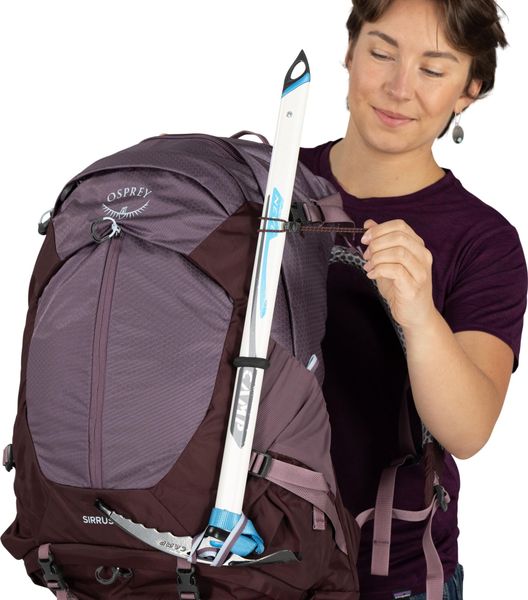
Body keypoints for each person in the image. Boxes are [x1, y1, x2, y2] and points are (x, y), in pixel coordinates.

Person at [298, 0, 527, 598]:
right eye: (382, 53)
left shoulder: (482, 241)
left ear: (468, 91)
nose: (399, 88)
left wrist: (421, 316)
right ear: (350, 53)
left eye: (432, 69)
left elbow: (468, 430)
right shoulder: (258, 187)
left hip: (389, 577)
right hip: (235, 559)